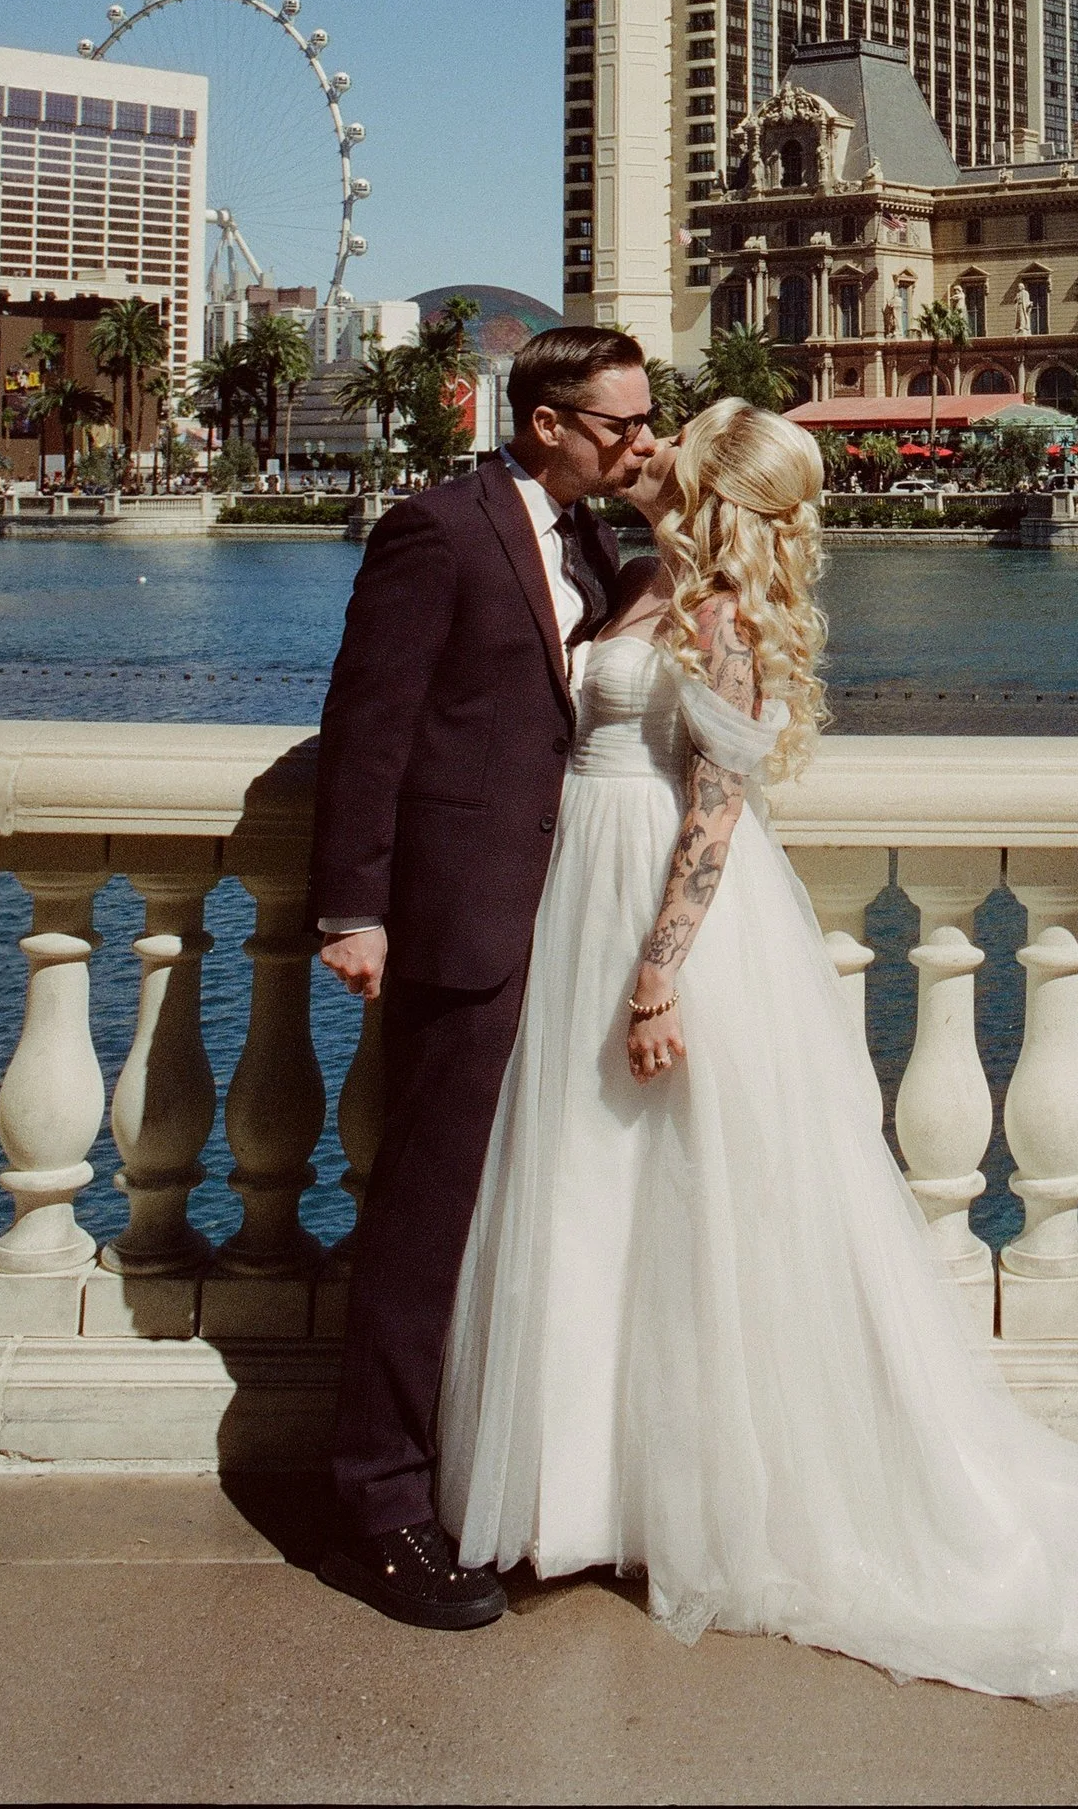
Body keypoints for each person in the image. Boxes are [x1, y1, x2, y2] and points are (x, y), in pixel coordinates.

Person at [436, 395, 1078, 1698]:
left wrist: (658, 977)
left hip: (664, 933)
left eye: (675, 441)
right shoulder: (638, 579)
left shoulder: (717, 617)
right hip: (584, 904)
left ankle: (701, 1502)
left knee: (697, 1211)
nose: (647, 446)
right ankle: (600, 1495)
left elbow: (716, 818)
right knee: (600, 1202)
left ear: (715, 489)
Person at [310, 324, 661, 1633]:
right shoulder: (437, 530)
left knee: (532, 1212)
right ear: (546, 422)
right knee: (425, 1216)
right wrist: (354, 904)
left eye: (647, 420)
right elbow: (370, 721)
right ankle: (380, 1506)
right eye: (621, 423)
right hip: (459, 926)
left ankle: (506, 1476)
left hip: (571, 931)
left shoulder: (590, 541)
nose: (640, 440)